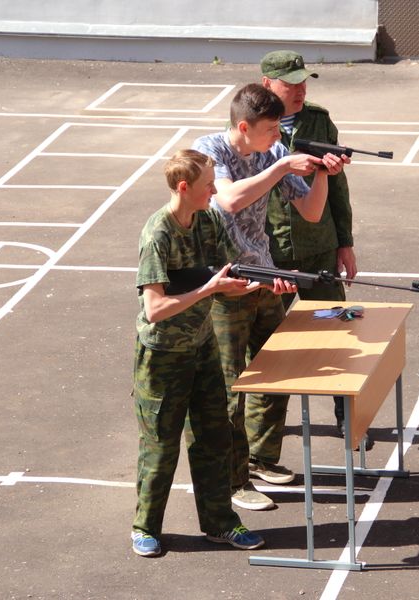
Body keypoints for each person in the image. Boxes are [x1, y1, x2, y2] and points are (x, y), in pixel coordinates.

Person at [193, 84, 349, 511]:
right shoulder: (210, 150)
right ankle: (233, 479)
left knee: (274, 371)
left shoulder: (274, 152)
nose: (278, 138)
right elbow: (227, 201)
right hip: (224, 283)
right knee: (230, 386)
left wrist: (321, 172)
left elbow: (312, 212)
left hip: (263, 274)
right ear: (243, 126)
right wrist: (282, 170)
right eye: (269, 131)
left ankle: (261, 458)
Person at [130, 149, 270, 557]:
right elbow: (155, 309)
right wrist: (210, 290)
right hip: (163, 357)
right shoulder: (158, 233)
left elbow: (233, 272)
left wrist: (265, 283)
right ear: (184, 187)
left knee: (215, 438)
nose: (214, 188)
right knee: (161, 445)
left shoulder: (207, 220)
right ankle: (145, 527)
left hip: (202, 347)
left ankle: (220, 522)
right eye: (208, 183)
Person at [260, 50, 360, 441]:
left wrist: (345, 243)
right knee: (269, 349)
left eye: (304, 82)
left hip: (318, 246)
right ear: (267, 84)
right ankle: (264, 441)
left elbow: (337, 185)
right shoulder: (249, 123)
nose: (300, 90)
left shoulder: (318, 119)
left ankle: (349, 420)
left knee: (338, 332)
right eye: (291, 83)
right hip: (272, 255)